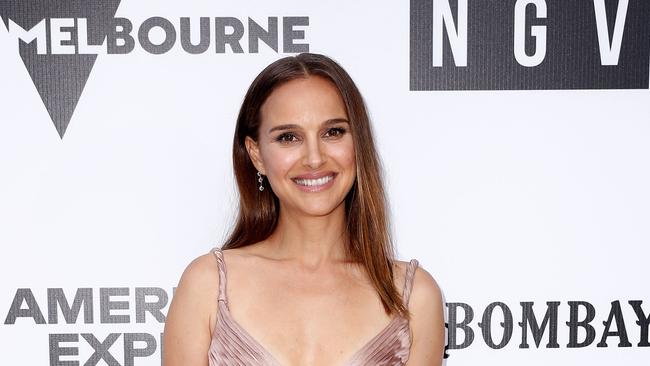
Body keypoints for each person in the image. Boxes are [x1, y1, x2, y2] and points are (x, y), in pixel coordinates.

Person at [163, 53, 445, 365]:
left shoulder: (415, 297)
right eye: (288, 137)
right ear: (256, 155)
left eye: (333, 132)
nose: (314, 158)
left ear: (358, 142)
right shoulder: (207, 286)